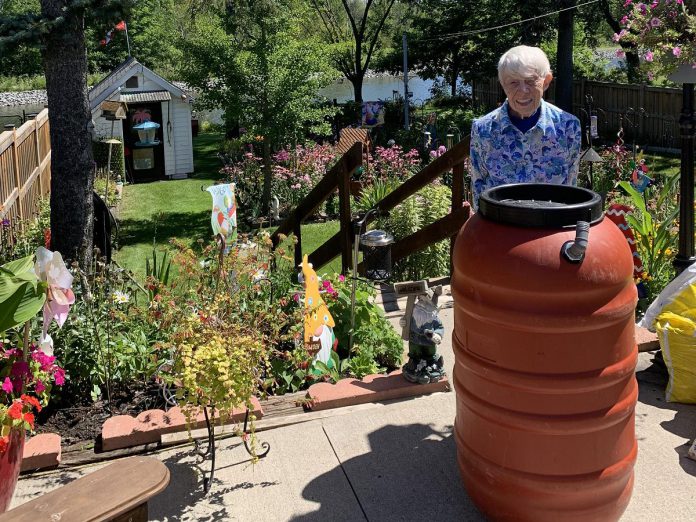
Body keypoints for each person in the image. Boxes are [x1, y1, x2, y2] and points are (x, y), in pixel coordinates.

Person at [469, 45, 581, 209]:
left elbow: (570, 190)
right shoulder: (483, 130)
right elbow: (478, 191)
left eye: (530, 81)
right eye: (513, 82)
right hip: (501, 228)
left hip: (550, 228)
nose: (523, 91)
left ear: (546, 82)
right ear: (502, 84)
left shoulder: (568, 127)